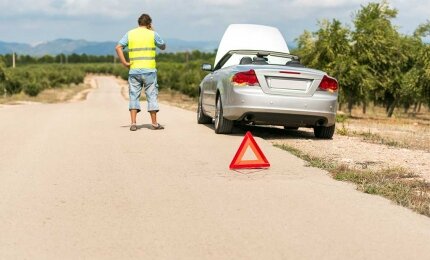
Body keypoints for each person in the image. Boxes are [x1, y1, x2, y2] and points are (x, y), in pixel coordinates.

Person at [115, 13, 166, 131]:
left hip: (134, 70)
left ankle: (133, 124)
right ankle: (154, 124)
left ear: (138, 23)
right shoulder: (153, 34)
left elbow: (118, 47)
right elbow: (163, 46)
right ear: (149, 24)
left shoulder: (130, 33)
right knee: (152, 96)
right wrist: (152, 30)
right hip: (149, 71)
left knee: (134, 96)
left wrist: (125, 63)